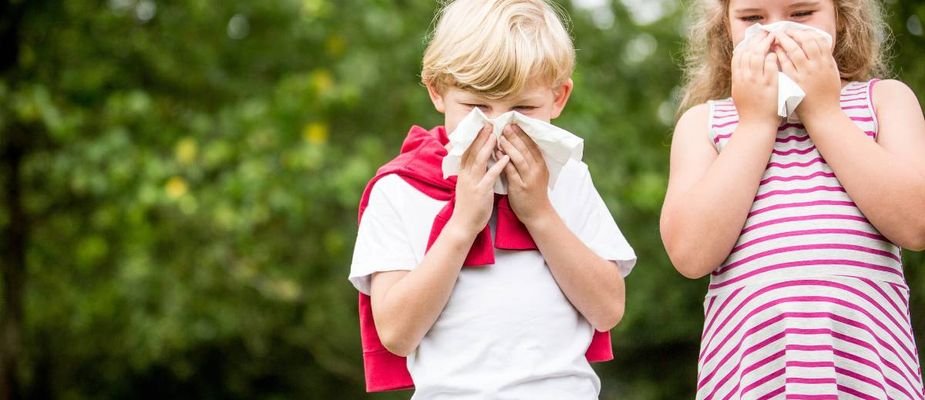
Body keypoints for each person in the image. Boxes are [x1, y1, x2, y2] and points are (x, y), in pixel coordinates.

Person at [348, 0, 636, 398]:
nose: (499, 126)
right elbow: (396, 333)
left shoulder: (568, 179)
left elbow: (608, 310)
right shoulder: (400, 189)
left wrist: (540, 213)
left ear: (558, 97)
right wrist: (463, 225)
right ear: (437, 91)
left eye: (522, 108)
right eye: (475, 107)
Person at [661, 0, 925, 398]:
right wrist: (755, 123)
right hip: (751, 374)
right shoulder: (704, 123)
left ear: (842, 15)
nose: (777, 33)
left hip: (866, 371)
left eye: (801, 14)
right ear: (725, 28)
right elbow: (690, 253)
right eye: (753, 19)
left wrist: (823, 111)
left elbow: (917, 222)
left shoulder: (884, 100)